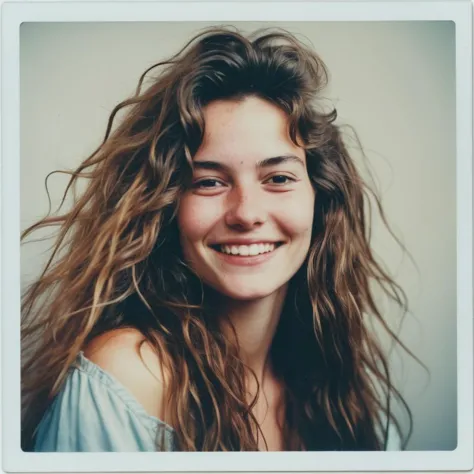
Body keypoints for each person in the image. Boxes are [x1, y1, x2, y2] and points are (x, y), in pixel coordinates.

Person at [21, 26, 412, 452]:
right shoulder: (130, 376)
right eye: (208, 182)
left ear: (321, 199)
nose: (246, 212)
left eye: (278, 178)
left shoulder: (346, 387)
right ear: (167, 204)